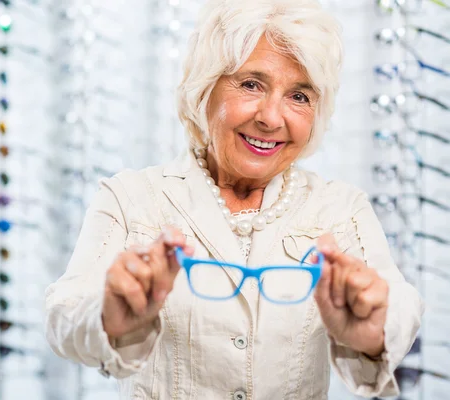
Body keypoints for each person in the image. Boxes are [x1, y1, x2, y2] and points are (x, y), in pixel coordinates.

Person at [45, 0, 424, 398]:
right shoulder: (130, 198)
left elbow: (400, 304)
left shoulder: (341, 208)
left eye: (299, 96)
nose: (272, 118)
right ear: (203, 88)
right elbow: (64, 313)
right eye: (251, 84)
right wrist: (108, 315)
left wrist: (374, 331)